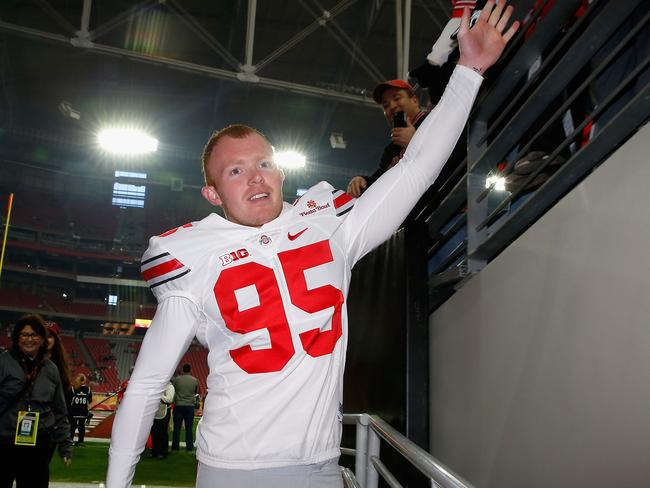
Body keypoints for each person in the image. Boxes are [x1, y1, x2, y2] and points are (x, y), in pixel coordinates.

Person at [107, 3, 519, 487]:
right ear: (213, 195)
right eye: (235, 171)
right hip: (233, 470)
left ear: (280, 171)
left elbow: (415, 170)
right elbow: (149, 383)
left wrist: (468, 72)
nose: (254, 178)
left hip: (320, 466)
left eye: (263, 163)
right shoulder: (195, 255)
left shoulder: (330, 228)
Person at [0, 314, 72, 488]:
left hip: (38, 445)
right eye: (24, 335)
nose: (29, 339)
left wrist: (65, 446)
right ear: (16, 338)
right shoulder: (3, 362)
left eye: (34, 335)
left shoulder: (51, 369)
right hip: (4, 442)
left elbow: (60, 411)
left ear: (42, 340)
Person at [346, 79, 428, 197]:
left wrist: (414, 143)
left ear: (414, 100)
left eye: (397, 98)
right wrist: (363, 182)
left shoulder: (433, 122)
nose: (392, 106)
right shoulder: (390, 150)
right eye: (386, 105)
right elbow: (380, 181)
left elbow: (451, 155)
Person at [171, 363, 198, 452]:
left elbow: (174, 390)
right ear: (190, 370)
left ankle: (175, 448)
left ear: (183, 370)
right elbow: (195, 392)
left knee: (177, 428)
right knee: (189, 428)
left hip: (178, 405)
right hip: (189, 406)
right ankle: (189, 448)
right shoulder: (195, 380)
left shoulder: (177, 379)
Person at [150, 381, 175, 459]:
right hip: (155, 412)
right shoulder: (157, 385)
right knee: (154, 432)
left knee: (162, 433)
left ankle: (163, 452)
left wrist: (159, 395)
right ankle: (154, 451)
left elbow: (169, 399)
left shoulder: (170, 387)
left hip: (164, 412)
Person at [69, 373, 92, 446]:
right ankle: (81, 441)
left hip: (74, 411)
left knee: (72, 426)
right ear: (84, 381)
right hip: (83, 412)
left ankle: (70, 440)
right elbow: (90, 400)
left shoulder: (73, 388)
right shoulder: (88, 389)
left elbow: (68, 400)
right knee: (82, 426)